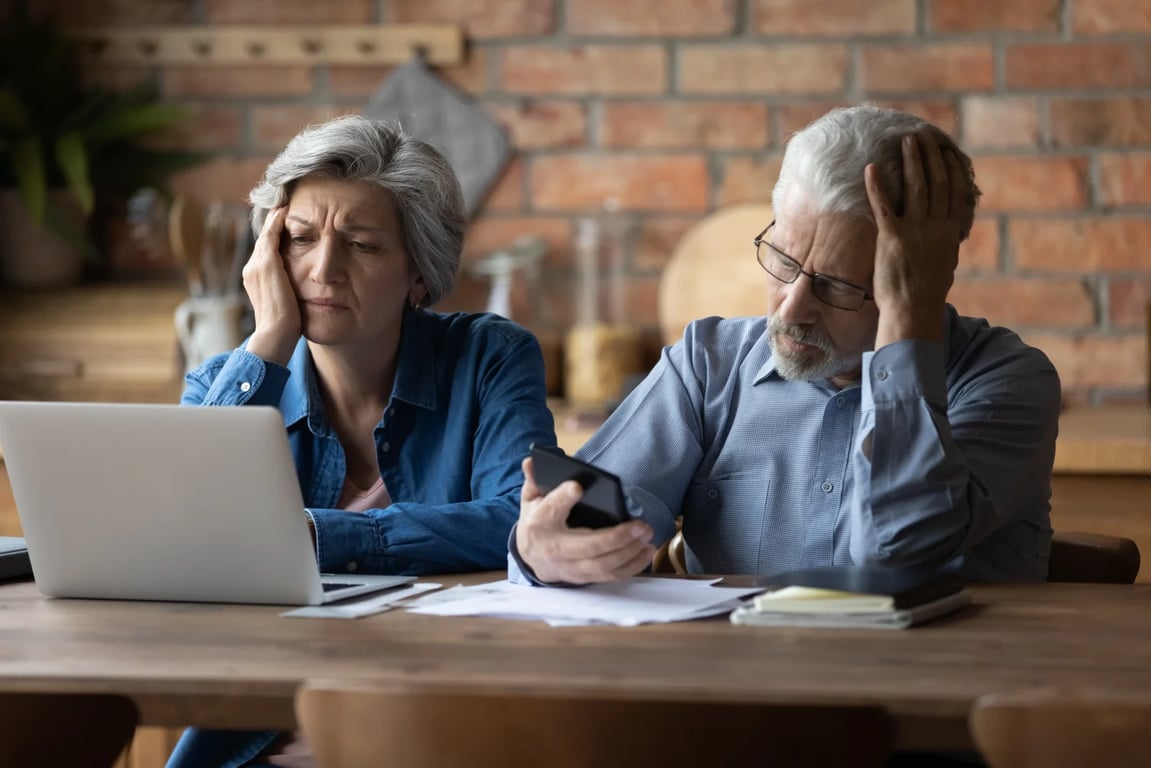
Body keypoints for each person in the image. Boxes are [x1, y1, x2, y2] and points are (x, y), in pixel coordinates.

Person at [512, 105, 1061, 587]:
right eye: (783, 260)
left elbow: (898, 555)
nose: (791, 309)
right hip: (740, 671)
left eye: (837, 286)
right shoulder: (708, 366)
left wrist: (908, 322)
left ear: (924, 278)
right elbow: (588, 521)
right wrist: (542, 550)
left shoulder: (1007, 383)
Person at [167, 116, 556, 768]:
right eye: (299, 239)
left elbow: (520, 520)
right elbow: (182, 537)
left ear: (418, 275)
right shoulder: (225, 384)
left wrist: (321, 537)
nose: (324, 269)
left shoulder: (489, 356)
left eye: (362, 245)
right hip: (257, 738)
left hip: (444, 728)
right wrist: (268, 341)